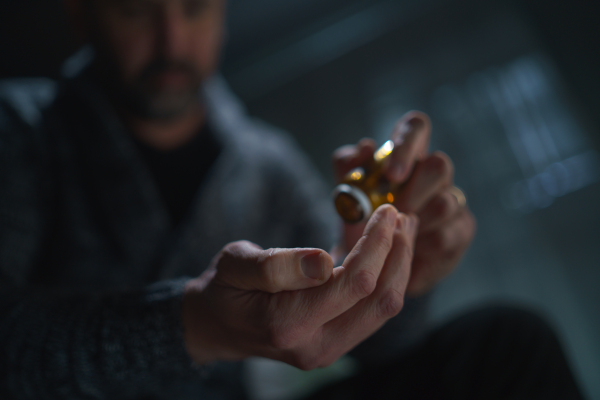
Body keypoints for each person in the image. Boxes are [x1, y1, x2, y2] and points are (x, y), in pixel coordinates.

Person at [0, 0, 584, 399]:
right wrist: (192, 324)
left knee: (508, 342)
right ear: (81, 13)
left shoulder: (266, 163)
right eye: (133, 6)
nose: (171, 40)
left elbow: (382, 349)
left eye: (195, 6)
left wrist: (399, 276)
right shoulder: (19, 127)